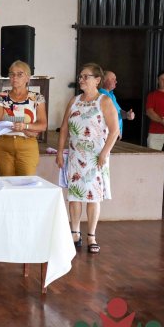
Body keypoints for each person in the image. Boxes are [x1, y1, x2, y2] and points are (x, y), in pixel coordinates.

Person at [56, 63, 119, 254]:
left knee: (93, 196)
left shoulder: (104, 101)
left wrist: (104, 153)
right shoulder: (74, 100)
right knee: (74, 195)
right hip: (75, 154)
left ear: (97, 80)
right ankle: (75, 233)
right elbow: (64, 128)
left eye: (86, 76)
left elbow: (114, 130)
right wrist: (60, 151)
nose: (81, 80)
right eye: (80, 76)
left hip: (96, 156)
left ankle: (91, 235)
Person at [0, 60, 47, 176]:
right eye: (12, 74)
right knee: (6, 183)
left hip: (27, 147)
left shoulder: (37, 98)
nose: (15, 77)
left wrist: (23, 126)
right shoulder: (1, 96)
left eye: (19, 74)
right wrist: (27, 129)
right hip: (4, 145)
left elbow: (42, 125)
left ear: (27, 78)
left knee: (26, 182)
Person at [99, 71, 135, 139]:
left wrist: (127, 114)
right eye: (113, 79)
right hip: (107, 136)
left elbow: (118, 112)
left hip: (114, 135)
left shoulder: (111, 95)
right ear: (103, 80)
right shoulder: (100, 95)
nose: (116, 81)